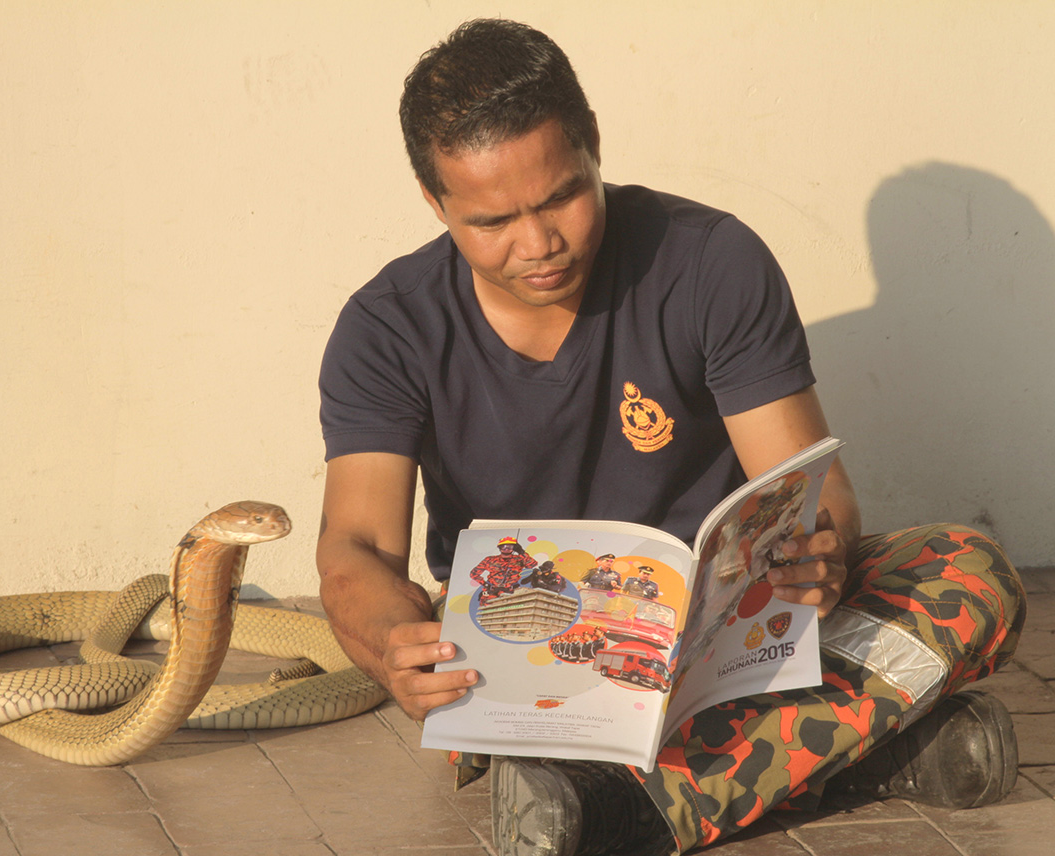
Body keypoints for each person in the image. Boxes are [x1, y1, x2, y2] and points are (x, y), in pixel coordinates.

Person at [315, 18, 1026, 856]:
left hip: (732, 639)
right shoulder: (387, 330)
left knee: (966, 571)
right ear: (436, 206)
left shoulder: (711, 262)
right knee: (508, 689)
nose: (538, 244)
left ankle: (613, 808)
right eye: (492, 222)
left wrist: (819, 549)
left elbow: (811, 483)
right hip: (536, 663)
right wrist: (398, 644)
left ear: (594, 147)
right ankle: (875, 741)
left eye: (562, 197)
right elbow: (354, 546)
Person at [470, 535, 537, 603]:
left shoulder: (519, 559)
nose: (506, 548)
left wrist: (521, 552)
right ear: (499, 547)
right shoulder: (490, 559)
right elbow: (474, 573)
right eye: (504, 546)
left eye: (510, 547)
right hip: (492, 593)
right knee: (488, 612)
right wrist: (485, 584)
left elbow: (532, 565)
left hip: (511, 593)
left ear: (514, 548)